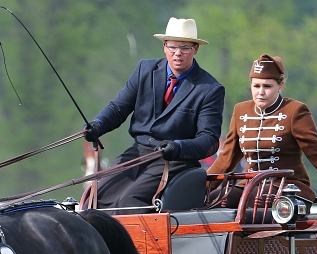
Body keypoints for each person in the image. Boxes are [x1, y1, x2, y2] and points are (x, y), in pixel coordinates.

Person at [83, 17, 224, 212]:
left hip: (176, 161)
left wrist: (179, 146)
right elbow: (118, 108)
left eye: (185, 48)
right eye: (173, 47)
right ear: (164, 47)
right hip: (138, 153)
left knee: (128, 203)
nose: (178, 53)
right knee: (98, 196)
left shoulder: (209, 89)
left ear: (195, 49)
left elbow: (209, 140)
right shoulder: (144, 70)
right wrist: (98, 124)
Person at [207, 54, 317, 207]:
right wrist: (202, 187)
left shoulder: (295, 111)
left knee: (256, 200)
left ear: (280, 85)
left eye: (267, 86)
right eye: (256, 86)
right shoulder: (241, 110)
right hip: (249, 187)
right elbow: (227, 157)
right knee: (211, 202)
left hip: (289, 189)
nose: (260, 92)